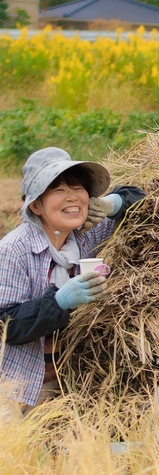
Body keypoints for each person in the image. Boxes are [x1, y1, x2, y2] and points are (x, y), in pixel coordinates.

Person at [0, 147, 145, 419]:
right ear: (35, 205)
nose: (72, 197)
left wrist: (113, 204)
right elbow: (4, 323)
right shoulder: (13, 250)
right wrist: (57, 303)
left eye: (78, 188)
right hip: (17, 387)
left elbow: (149, 203)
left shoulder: (88, 234)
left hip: (70, 381)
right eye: (57, 190)